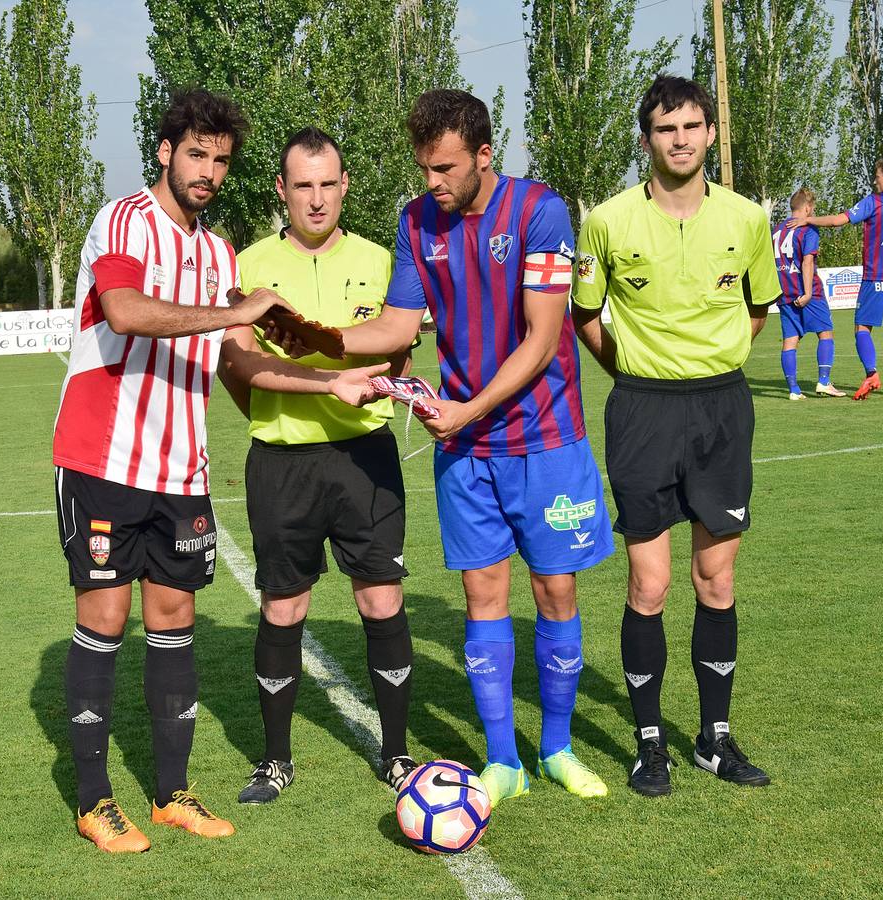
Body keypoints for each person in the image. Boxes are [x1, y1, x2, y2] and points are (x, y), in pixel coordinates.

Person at [53, 90, 384, 853]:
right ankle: (94, 800)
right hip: (103, 459)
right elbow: (127, 309)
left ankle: (172, 792)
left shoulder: (214, 253)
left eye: (221, 160)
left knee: (173, 623)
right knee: (104, 621)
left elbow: (240, 362)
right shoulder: (125, 219)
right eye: (195, 154)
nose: (207, 171)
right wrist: (234, 312)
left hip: (180, 468)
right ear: (165, 152)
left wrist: (324, 381)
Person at [302, 90, 615, 807]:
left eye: (443, 168)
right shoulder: (418, 222)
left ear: (482, 155)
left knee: (554, 588)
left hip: (543, 436)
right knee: (482, 594)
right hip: (466, 448)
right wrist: (315, 341)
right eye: (423, 169)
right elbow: (394, 326)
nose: (431, 183)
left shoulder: (539, 211)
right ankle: (504, 761)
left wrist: (467, 407)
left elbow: (541, 341)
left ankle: (558, 747)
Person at [572, 74, 779, 797]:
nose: (680, 139)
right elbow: (586, 316)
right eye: (665, 129)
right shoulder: (605, 222)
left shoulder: (747, 220)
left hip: (721, 409)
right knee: (648, 584)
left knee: (715, 580)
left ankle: (713, 738)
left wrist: (709, 365)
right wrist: (635, 371)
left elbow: (756, 311)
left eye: (691, 126)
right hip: (642, 410)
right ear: (646, 140)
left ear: (711, 134)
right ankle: (649, 741)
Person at [218, 127, 417, 804]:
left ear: (344, 187)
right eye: (301, 185)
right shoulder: (247, 265)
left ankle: (395, 754)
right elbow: (240, 363)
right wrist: (319, 383)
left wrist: (383, 376)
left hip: (365, 458)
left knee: (379, 599)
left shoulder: (379, 260)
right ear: (280, 190)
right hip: (282, 461)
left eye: (327, 184)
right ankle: (275, 760)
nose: (315, 199)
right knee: (283, 605)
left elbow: (397, 354)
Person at [787, 156, 883, 399]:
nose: (875, 180)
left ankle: (872, 373)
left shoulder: (874, 202)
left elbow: (839, 220)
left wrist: (808, 219)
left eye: (877, 175)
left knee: (862, 327)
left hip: (876, 276)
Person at [772, 188, 845, 399]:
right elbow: (807, 261)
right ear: (806, 208)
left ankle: (794, 390)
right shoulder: (808, 229)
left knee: (790, 340)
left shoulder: (776, 230)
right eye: (812, 209)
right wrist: (807, 293)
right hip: (808, 290)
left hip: (784, 292)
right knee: (825, 333)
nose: (813, 213)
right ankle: (823, 382)